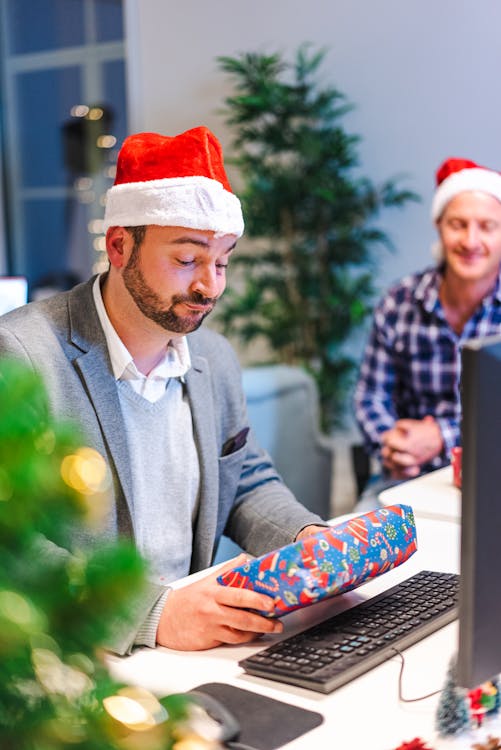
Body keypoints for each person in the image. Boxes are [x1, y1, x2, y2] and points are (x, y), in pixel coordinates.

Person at [0, 127, 327, 654]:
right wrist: (152, 614)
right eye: (186, 260)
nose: (210, 286)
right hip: (74, 654)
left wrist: (307, 541)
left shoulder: (213, 358)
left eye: (221, 261)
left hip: (190, 648)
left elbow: (245, 482)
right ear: (119, 246)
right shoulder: (23, 353)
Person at [354, 157, 501, 501]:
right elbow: (370, 396)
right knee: (361, 537)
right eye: (458, 224)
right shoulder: (399, 302)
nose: (471, 240)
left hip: (492, 477)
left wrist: (441, 437)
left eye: (487, 226)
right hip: (405, 477)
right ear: (439, 227)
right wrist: (393, 445)